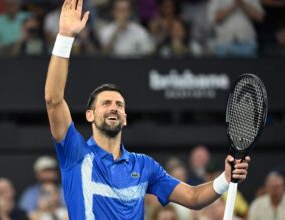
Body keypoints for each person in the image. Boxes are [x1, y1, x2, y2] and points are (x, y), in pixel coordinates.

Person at [44, 0, 250, 219]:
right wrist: (65, 37)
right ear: (90, 115)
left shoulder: (143, 165)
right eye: (105, 103)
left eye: (119, 105)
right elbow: (53, 100)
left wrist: (225, 179)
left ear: (124, 118)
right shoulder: (75, 154)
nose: (113, 107)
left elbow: (192, 197)